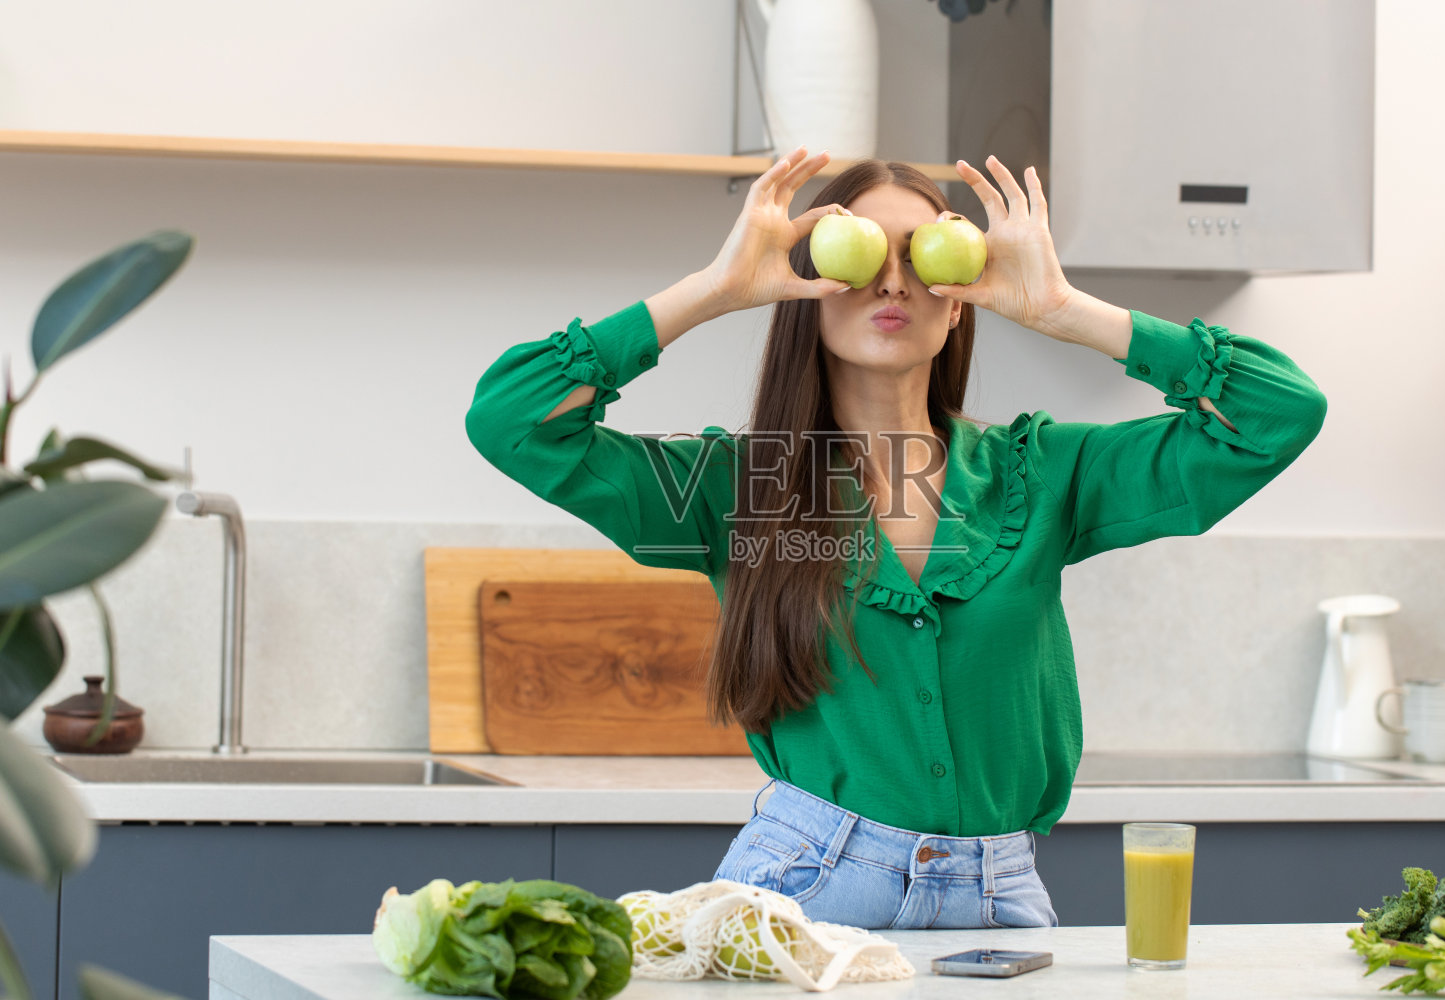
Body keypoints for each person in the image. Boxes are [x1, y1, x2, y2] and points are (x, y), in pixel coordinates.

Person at [464, 147, 1327, 931]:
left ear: (959, 306)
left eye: (923, 257)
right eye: (863, 255)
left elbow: (1277, 413)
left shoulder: (1044, 472)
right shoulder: (738, 488)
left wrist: (1068, 310)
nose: (894, 282)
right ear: (805, 295)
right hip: (805, 887)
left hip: (1003, 897)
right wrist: (716, 290)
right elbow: (514, 422)